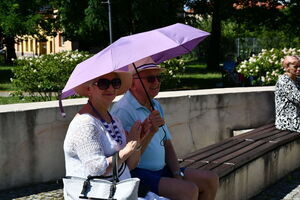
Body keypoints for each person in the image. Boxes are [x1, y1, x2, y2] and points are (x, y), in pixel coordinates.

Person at [111, 57, 219, 200]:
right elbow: (128, 161)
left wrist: (176, 174)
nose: (156, 82)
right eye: (150, 78)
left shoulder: (155, 105)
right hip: (138, 174)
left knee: (210, 180)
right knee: (188, 190)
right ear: (132, 83)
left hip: (161, 170)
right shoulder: (123, 111)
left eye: (158, 77)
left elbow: (167, 144)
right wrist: (149, 132)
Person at [63, 70, 166, 200]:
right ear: (89, 89)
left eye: (115, 83)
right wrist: (127, 149)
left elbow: (130, 165)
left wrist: (139, 139)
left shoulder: (113, 120)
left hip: (119, 191)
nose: (110, 88)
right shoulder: (85, 123)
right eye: (103, 83)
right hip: (93, 194)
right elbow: (96, 169)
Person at [275, 55, 300, 132]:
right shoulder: (284, 81)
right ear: (287, 67)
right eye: (295, 67)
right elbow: (298, 99)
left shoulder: (297, 80)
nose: (299, 69)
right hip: (288, 121)